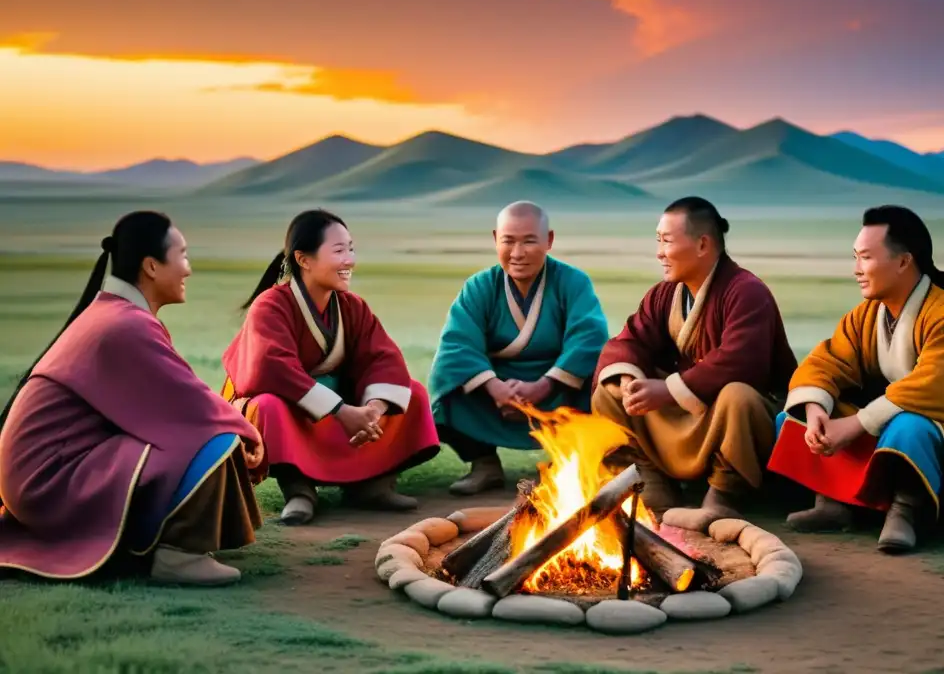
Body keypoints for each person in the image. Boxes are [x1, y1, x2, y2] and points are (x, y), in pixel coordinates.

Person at [0, 211, 264, 587]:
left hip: (39, 475)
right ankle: (177, 555)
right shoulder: (125, 324)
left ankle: (156, 543)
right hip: (49, 481)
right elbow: (189, 404)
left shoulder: (115, 314)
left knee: (205, 428)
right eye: (183, 256)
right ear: (152, 266)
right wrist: (247, 430)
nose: (188, 269)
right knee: (211, 437)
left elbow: (177, 394)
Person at [768, 205, 944, 551]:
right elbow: (825, 363)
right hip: (913, 426)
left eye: (866, 258)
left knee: (911, 425)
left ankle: (906, 511)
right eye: (855, 258)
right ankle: (833, 502)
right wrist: (816, 410)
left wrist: (857, 423)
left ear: (904, 261)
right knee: (795, 416)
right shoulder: (865, 316)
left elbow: (937, 390)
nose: (857, 270)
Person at [221, 209, 440, 526]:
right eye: (339, 251)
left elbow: (381, 357)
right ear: (304, 259)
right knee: (268, 407)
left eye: (351, 249)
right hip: (293, 406)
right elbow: (270, 369)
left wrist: (372, 410)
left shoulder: (352, 306)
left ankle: (372, 485)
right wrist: (342, 412)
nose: (349, 260)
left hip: (338, 408)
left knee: (413, 393)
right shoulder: (271, 305)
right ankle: (299, 491)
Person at [591, 197, 797, 527]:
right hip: (690, 412)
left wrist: (668, 390)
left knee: (738, 397)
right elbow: (629, 341)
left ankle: (724, 495)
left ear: (702, 244)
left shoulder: (747, 291)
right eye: (658, 240)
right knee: (610, 390)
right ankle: (651, 486)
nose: (659, 252)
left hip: (735, 418)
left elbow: (742, 362)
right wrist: (630, 381)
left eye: (667, 241)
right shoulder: (663, 294)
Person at [428, 201, 609, 495]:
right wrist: (495, 388)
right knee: (444, 382)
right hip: (495, 393)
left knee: (602, 383)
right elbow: (458, 345)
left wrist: (544, 386)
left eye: (529, 241)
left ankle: (568, 464)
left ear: (548, 240)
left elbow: (589, 337)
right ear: (494, 239)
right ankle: (484, 463)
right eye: (508, 241)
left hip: (557, 388)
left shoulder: (573, 282)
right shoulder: (479, 286)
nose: (517, 253)